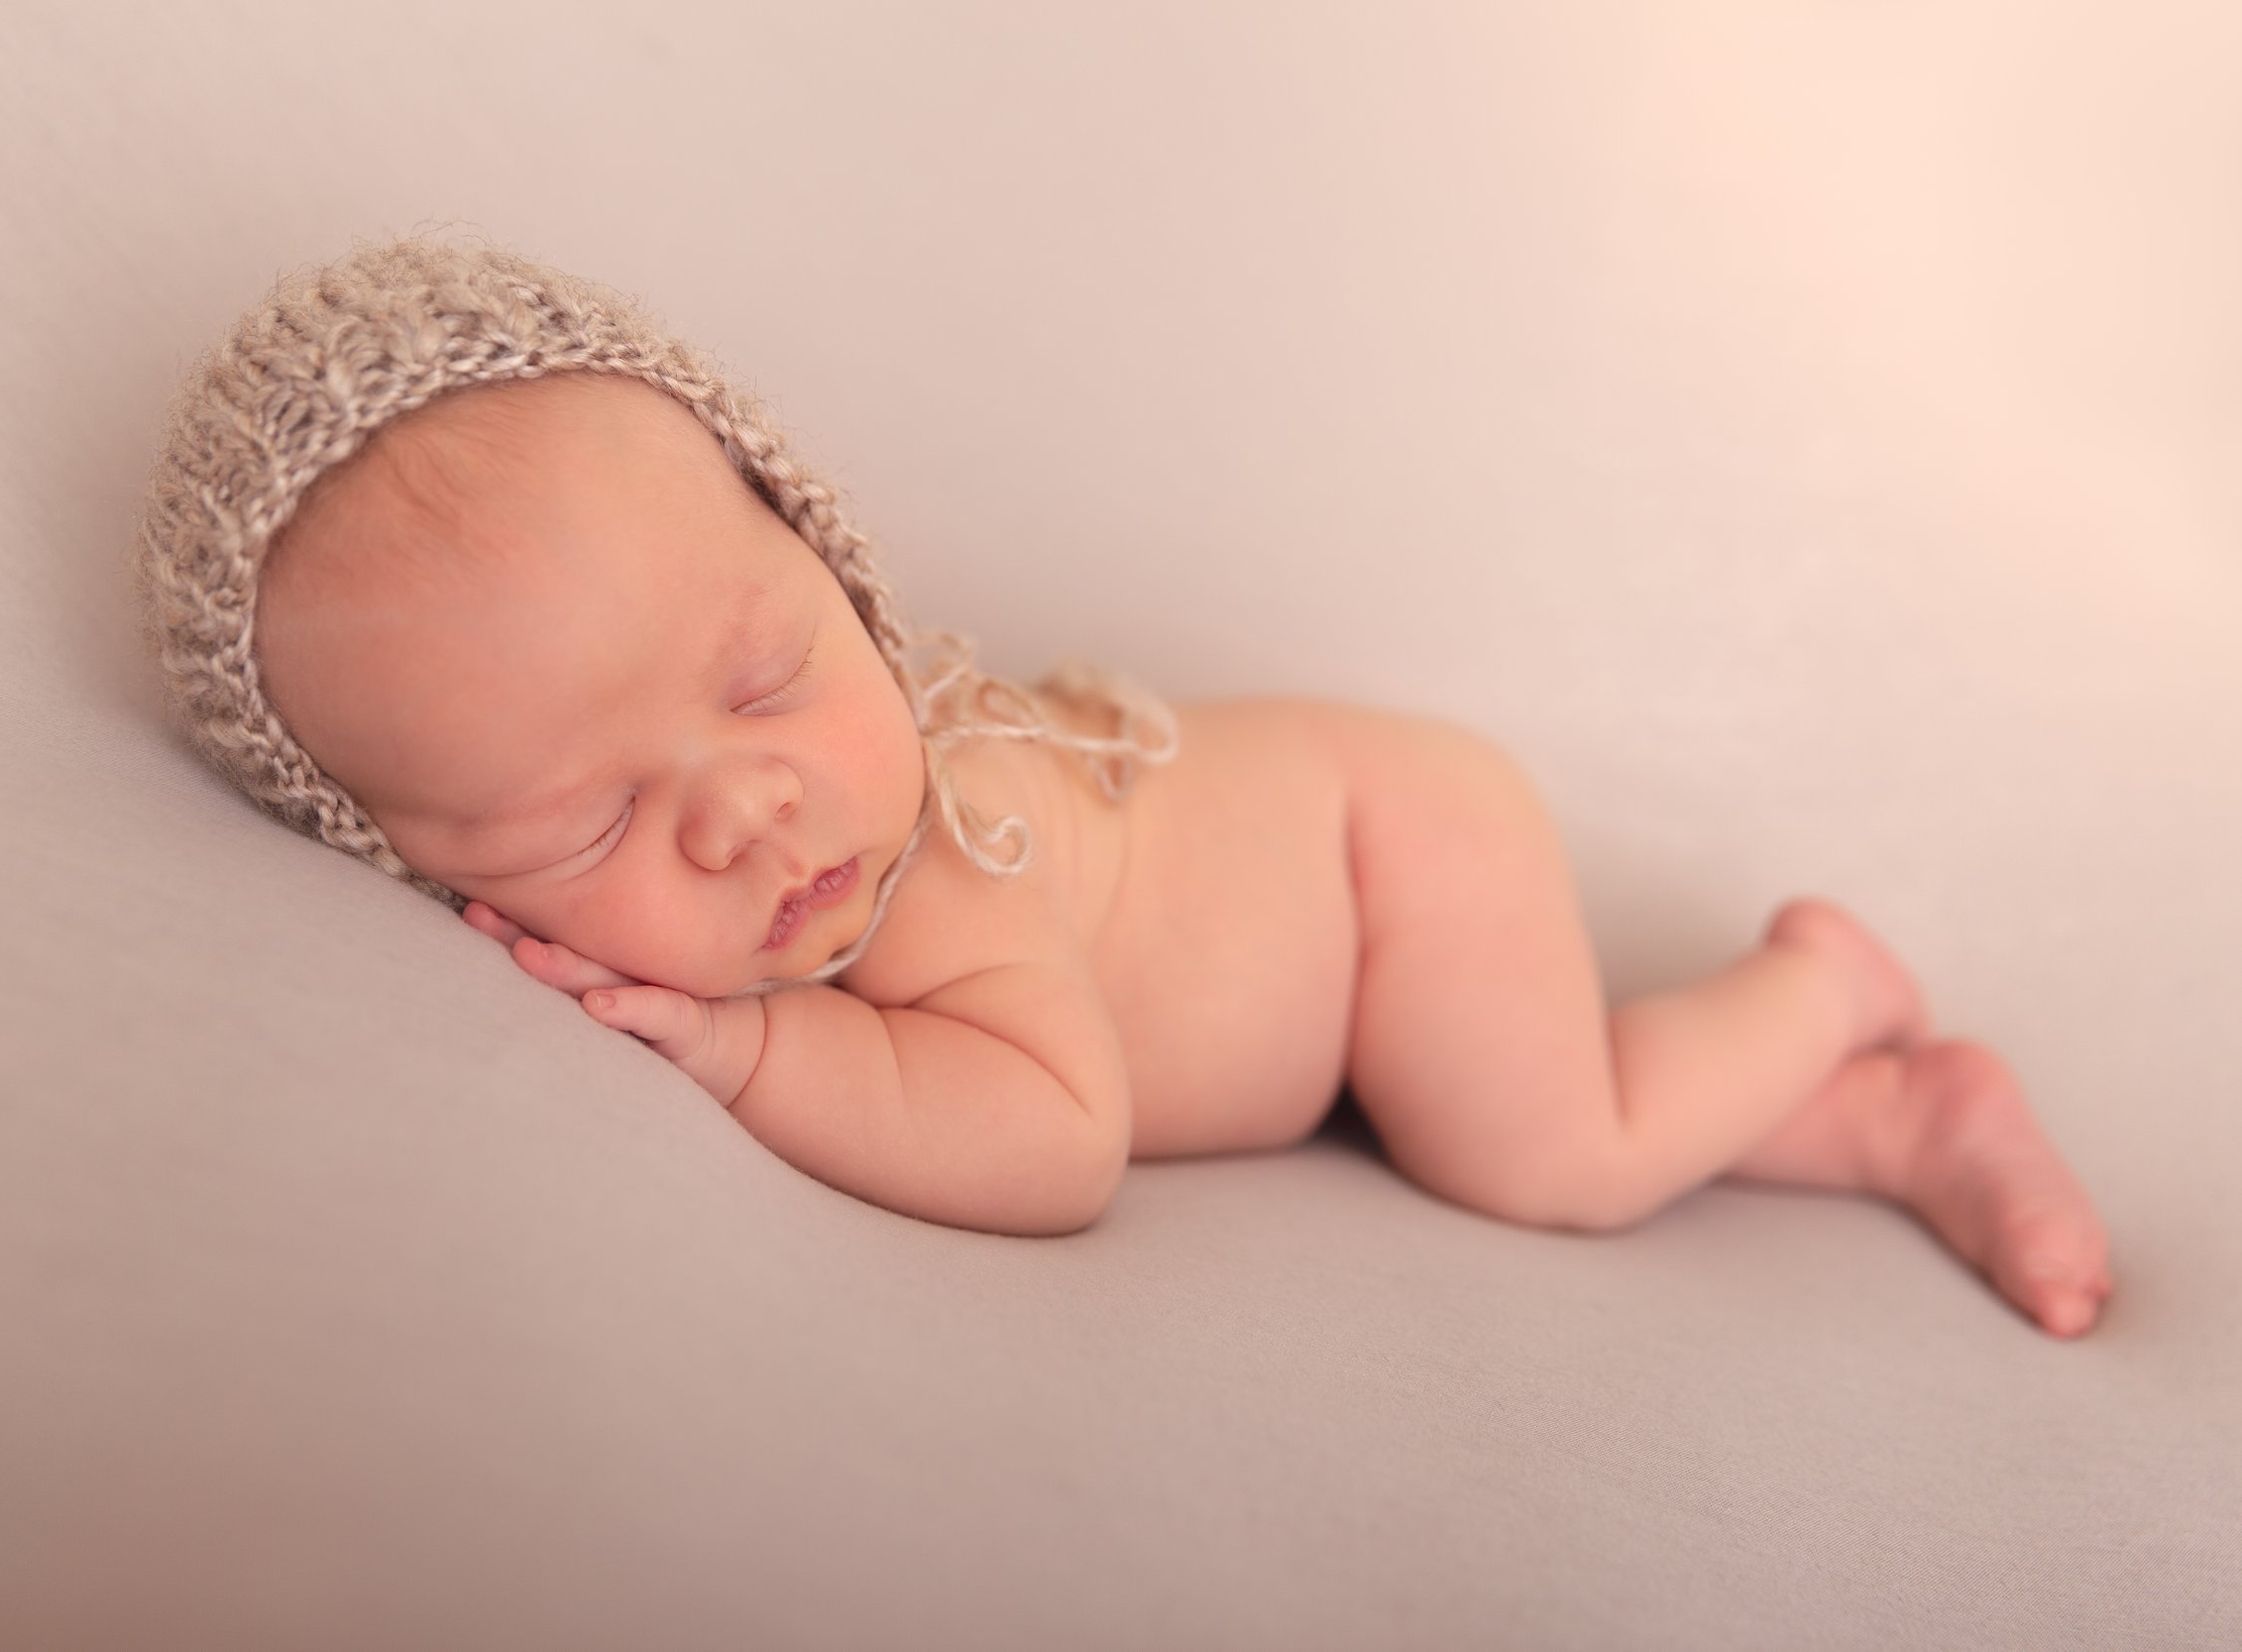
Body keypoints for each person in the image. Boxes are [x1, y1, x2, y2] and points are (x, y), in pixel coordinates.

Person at [136, 234, 2113, 1337]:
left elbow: (1057, 1140)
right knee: (1466, 1096)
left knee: (1538, 1151)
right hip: (1333, 977)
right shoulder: (777, 831)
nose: (749, 817)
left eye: (767, 675)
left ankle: (1826, 992)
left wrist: (755, 1063)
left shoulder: (938, 875)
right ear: (403, 866)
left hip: (1383, 857)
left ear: (834, 567)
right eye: (587, 823)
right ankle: (1886, 1124)